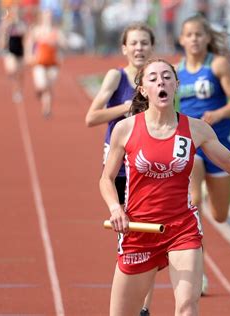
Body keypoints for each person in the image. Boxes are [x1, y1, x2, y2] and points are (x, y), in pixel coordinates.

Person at [100, 58, 230, 316]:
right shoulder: (125, 129)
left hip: (180, 228)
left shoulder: (196, 129)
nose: (161, 81)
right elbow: (106, 179)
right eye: (153, 78)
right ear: (142, 89)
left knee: (187, 305)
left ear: (176, 85)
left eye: (166, 76)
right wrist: (116, 208)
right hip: (139, 230)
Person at [176, 14, 230, 294]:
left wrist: (217, 114)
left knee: (219, 215)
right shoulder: (175, 70)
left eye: (198, 34)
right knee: (193, 204)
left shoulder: (217, 65)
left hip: (218, 143)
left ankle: (205, 190)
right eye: (188, 34)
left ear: (207, 38)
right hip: (190, 143)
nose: (193, 39)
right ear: (181, 39)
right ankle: (198, 274)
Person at [85, 21, 155, 217]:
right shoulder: (116, 76)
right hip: (120, 162)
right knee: (126, 221)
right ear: (124, 48)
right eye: (133, 43)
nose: (139, 48)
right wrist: (127, 108)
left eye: (144, 43)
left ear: (152, 47)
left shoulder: (157, 79)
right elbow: (91, 118)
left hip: (149, 161)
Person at [25, 8, 66, 118]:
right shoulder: (37, 30)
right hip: (40, 62)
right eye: (47, 15)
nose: (49, 18)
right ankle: (39, 91)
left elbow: (64, 44)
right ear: (42, 17)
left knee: (50, 87)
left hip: (53, 62)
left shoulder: (56, 31)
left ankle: (46, 109)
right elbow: (29, 43)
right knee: (42, 84)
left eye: (51, 16)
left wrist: (57, 42)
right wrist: (29, 55)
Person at [0, 5, 27, 103]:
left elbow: (26, 36)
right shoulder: (8, 24)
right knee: (13, 70)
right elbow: (2, 35)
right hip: (11, 50)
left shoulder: (22, 24)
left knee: (20, 74)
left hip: (21, 51)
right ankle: (15, 90)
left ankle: (19, 91)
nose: (16, 14)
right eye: (15, 12)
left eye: (18, 12)